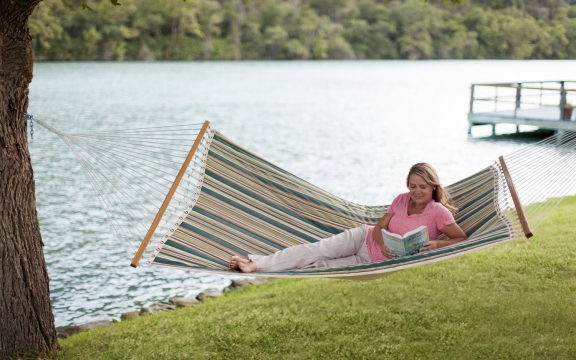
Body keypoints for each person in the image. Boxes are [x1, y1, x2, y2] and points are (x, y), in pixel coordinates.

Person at [229, 163, 467, 273]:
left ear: (432, 186)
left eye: (422, 187)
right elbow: (378, 228)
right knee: (314, 251)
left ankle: (258, 265)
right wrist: (384, 245)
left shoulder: (438, 211)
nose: (417, 191)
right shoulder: (401, 200)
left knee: (316, 267)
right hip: (362, 239)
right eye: (413, 185)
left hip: (369, 263)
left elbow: (460, 238)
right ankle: (255, 263)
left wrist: (437, 244)